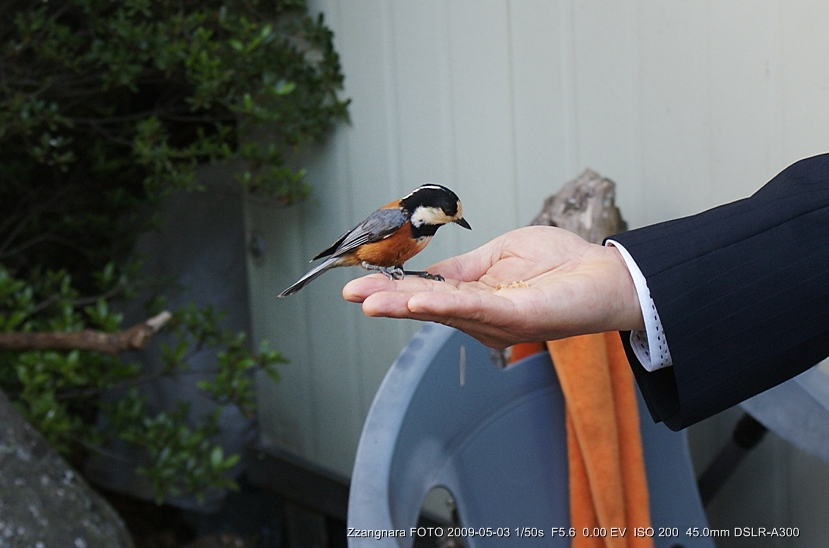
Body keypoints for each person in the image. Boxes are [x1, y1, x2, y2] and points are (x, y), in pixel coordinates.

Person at [343, 153, 829, 430]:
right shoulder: (395, 220)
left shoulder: (418, 226)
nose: (455, 223)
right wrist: (627, 279)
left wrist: (627, 282)